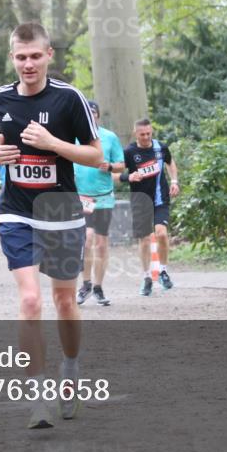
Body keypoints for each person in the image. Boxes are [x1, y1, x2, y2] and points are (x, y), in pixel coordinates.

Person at [0, 22, 101, 428]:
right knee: (30, 301)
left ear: (49, 55)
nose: (28, 64)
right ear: (12, 57)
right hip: (16, 211)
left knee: (64, 302)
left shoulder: (69, 99)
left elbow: (95, 155)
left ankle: (69, 370)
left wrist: (52, 144)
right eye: (20, 56)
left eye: (35, 56)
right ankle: (38, 398)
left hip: (61, 212)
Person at [74, 101, 125, 307]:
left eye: (93, 112)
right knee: (86, 239)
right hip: (81, 197)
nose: (90, 116)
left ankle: (98, 287)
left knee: (102, 244)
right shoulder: (73, 136)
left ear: (98, 116)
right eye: (87, 112)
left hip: (103, 197)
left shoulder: (109, 137)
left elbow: (121, 166)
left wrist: (111, 166)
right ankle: (85, 284)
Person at [120, 118, 179, 296]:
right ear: (135, 133)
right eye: (142, 134)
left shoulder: (160, 148)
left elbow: (171, 163)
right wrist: (128, 177)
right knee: (145, 240)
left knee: (161, 233)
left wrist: (174, 181)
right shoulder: (129, 152)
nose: (146, 137)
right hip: (140, 202)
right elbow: (116, 173)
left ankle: (162, 271)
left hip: (160, 199)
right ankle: (146, 277)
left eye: (148, 134)